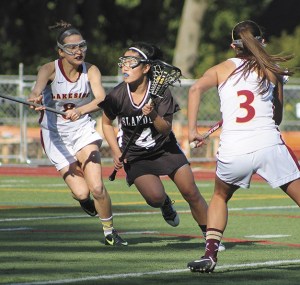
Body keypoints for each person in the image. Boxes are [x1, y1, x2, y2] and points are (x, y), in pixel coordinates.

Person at [187, 20, 300, 273]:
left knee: (219, 196)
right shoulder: (273, 69)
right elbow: (277, 118)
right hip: (268, 144)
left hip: (233, 149)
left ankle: (210, 255)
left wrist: (193, 130)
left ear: (233, 46)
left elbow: (194, 89)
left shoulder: (220, 68)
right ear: (262, 42)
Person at [100, 41, 225, 250]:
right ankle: (165, 204)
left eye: (131, 63)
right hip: (136, 155)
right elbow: (106, 122)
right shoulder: (117, 95)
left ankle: (209, 238)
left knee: (191, 192)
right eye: (123, 62)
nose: (125, 67)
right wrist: (116, 151)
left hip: (165, 149)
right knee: (155, 197)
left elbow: (165, 129)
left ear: (146, 67)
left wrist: (153, 114)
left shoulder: (161, 93)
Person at [28, 20, 127, 246]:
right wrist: (34, 99)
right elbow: (36, 91)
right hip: (54, 135)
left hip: (82, 131)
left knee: (97, 187)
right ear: (60, 52)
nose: (78, 51)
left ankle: (110, 232)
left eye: (81, 45)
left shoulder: (91, 70)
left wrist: (80, 110)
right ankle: (84, 200)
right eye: (72, 48)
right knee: (83, 193)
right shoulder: (49, 69)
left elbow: (102, 98)